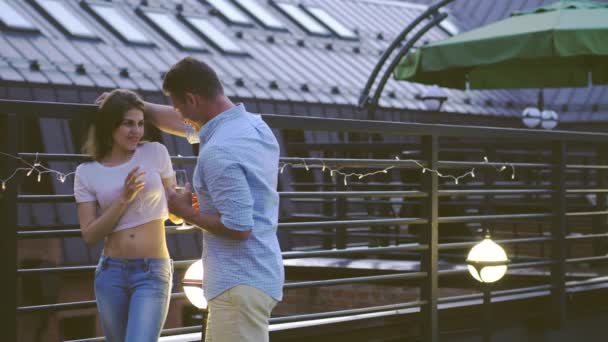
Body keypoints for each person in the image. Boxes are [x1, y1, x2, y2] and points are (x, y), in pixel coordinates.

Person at [99, 57, 284, 341]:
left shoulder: (219, 151)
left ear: (192, 99)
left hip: (237, 283)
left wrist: (185, 211)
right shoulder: (254, 127)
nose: (178, 113)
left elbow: (239, 227)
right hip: (261, 274)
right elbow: (190, 124)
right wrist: (136, 106)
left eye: (178, 105)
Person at [75, 89, 181, 342]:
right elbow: (90, 235)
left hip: (152, 271)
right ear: (110, 126)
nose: (136, 131)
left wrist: (187, 206)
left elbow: (176, 213)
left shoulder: (155, 152)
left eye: (141, 123)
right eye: (128, 124)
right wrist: (124, 198)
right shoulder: (86, 172)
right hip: (111, 273)